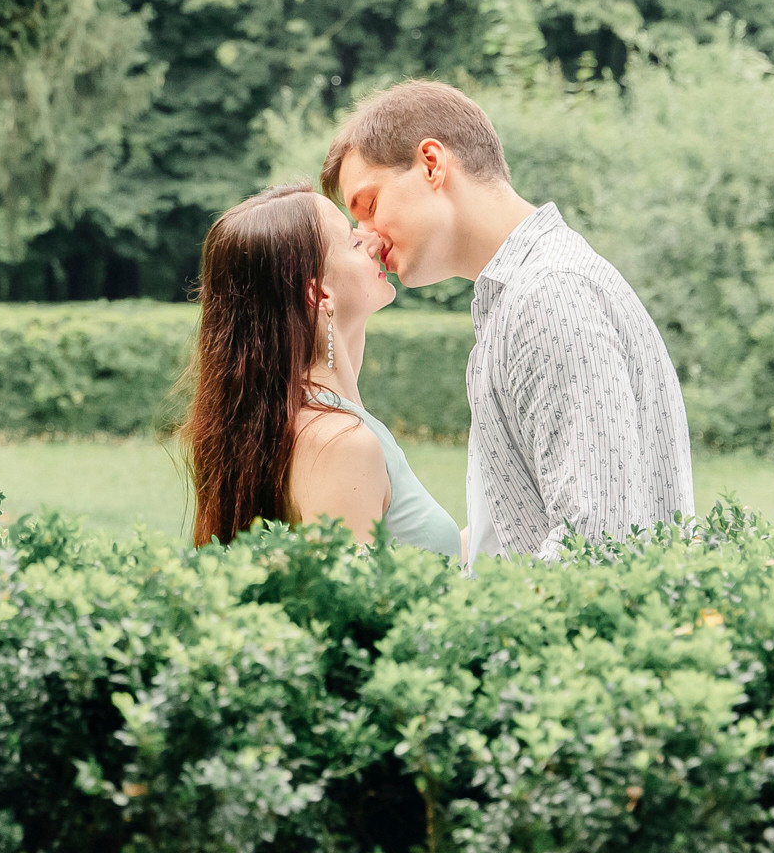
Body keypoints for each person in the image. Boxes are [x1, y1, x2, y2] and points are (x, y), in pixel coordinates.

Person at [321, 79, 693, 562]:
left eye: (369, 206)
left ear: (432, 163)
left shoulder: (550, 295)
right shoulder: (526, 292)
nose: (367, 237)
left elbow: (597, 545)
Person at [183, 183, 461, 555]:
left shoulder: (297, 421)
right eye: (353, 240)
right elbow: (354, 591)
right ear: (320, 294)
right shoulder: (341, 443)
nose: (374, 238)